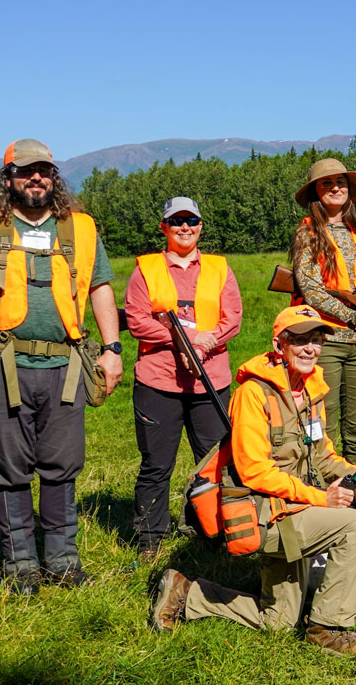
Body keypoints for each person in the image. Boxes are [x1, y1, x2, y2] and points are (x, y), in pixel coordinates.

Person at [150, 306, 356, 655]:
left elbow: (323, 457)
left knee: (278, 622)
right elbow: (253, 471)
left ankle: (186, 593)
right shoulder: (252, 395)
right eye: (300, 340)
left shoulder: (312, 390)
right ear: (279, 344)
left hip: (292, 507)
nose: (310, 349)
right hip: (262, 514)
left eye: (316, 341)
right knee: (355, 524)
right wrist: (321, 500)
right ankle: (329, 628)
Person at [0, 139, 123, 595]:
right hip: (1, 360)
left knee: (62, 465)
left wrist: (113, 348)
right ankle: (19, 562)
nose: (36, 177)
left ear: (54, 175)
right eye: (25, 171)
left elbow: (101, 285)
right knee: (10, 468)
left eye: (43, 169)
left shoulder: (81, 228)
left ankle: (62, 559)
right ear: (8, 179)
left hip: (66, 364)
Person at [124, 196, 242, 558]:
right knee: (157, 464)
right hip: (158, 382)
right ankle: (150, 539)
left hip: (212, 381)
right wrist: (187, 339)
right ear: (164, 228)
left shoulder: (220, 268)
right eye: (176, 221)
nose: (185, 227)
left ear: (201, 225)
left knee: (214, 462)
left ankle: (211, 532)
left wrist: (205, 344)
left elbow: (232, 319)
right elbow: (136, 320)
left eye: (191, 220)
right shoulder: (146, 269)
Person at [289, 158, 356, 514]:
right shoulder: (308, 233)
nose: (335, 188)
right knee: (321, 430)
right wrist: (355, 319)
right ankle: (320, 509)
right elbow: (312, 291)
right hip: (324, 345)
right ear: (316, 191)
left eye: (341, 182)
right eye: (327, 183)